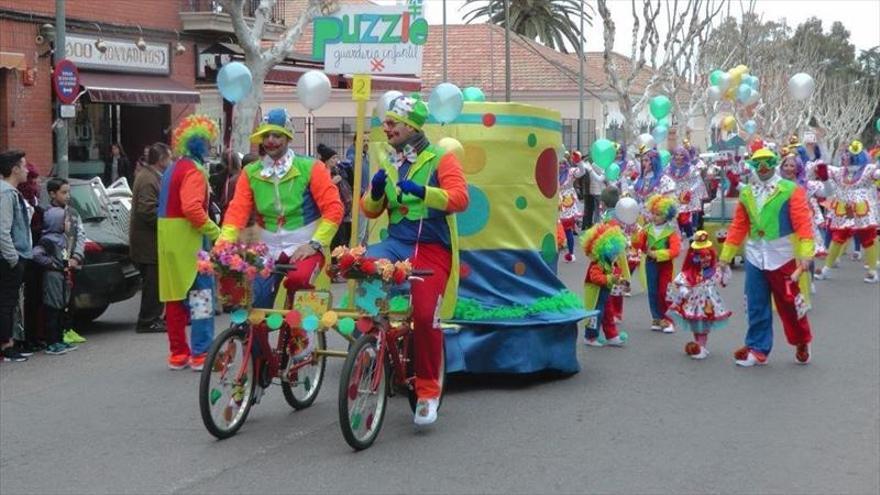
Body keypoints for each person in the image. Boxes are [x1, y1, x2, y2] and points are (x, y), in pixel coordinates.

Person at [361, 93, 469, 425]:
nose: (386, 127)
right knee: (362, 265)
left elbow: (460, 199)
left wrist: (424, 192)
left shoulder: (441, 159)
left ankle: (426, 391)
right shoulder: (388, 159)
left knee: (424, 316)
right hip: (396, 243)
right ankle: (371, 345)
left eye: (392, 123)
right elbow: (370, 209)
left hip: (431, 249)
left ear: (410, 126)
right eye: (385, 122)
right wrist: (376, 191)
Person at [220, 108, 343, 310]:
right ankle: (257, 341)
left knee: (299, 281)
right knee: (256, 301)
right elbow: (237, 212)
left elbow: (333, 209)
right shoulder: (251, 172)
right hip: (267, 249)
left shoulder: (311, 167)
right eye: (265, 135)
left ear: (288, 137)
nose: (270, 140)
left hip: (304, 246)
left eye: (276, 135)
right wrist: (223, 243)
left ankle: (296, 335)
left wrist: (315, 244)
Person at [720, 148, 814, 367]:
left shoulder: (791, 190)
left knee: (790, 303)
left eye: (767, 163)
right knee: (755, 303)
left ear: (774, 164)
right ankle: (757, 347)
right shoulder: (747, 193)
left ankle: (802, 340)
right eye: (757, 164)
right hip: (754, 255)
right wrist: (725, 257)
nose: (762, 168)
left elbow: (803, 224)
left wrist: (805, 255)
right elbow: (738, 226)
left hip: (783, 256)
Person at [158, 115, 221, 371]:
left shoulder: (172, 168)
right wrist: (216, 231)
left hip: (168, 241)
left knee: (174, 299)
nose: (211, 147)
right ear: (201, 144)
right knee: (201, 297)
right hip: (190, 242)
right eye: (209, 143)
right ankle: (201, 354)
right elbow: (193, 209)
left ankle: (178, 354)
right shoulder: (194, 171)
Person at [814, 140, 880, 283]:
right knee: (837, 237)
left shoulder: (868, 169)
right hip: (843, 207)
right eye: (844, 154)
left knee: (868, 238)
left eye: (847, 154)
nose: (844, 157)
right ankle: (827, 269)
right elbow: (823, 167)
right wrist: (821, 169)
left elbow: (877, 174)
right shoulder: (839, 172)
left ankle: (873, 271)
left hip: (863, 208)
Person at [667, 230, 732, 360]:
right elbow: (681, 283)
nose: (706, 259)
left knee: (702, 325)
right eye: (702, 256)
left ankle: (701, 346)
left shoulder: (714, 271)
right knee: (696, 325)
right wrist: (685, 292)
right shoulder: (689, 273)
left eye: (708, 256)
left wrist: (725, 269)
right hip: (693, 302)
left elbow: (724, 281)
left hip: (708, 302)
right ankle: (699, 344)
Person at [130, 142, 172, 333]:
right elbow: (147, 210)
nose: (170, 161)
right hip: (148, 243)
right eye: (169, 158)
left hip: (151, 242)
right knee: (152, 284)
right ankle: (147, 320)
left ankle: (153, 317)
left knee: (155, 283)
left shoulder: (153, 176)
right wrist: (168, 222)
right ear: (162, 160)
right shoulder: (148, 179)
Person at [45, 178, 87, 346]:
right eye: (63, 192)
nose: (67, 196)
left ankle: (68, 328)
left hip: (71, 262)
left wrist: (76, 256)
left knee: (70, 299)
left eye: (68, 192)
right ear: (52, 194)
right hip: (57, 265)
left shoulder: (73, 213)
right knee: (57, 301)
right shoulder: (49, 214)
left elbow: (81, 235)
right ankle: (58, 334)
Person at [0, 150, 33, 362]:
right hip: (8, 258)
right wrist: (13, 258)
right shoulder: (6, 194)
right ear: (14, 169)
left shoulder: (10, 192)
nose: (27, 169)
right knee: (7, 302)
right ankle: (7, 345)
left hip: (13, 255)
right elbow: (3, 229)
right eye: (24, 165)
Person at [632, 194, 681, 333]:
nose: (654, 216)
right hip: (650, 264)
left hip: (665, 265)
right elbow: (638, 245)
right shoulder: (647, 229)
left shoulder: (671, 231)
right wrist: (635, 234)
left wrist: (658, 254)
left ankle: (668, 320)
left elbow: (675, 251)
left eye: (658, 214)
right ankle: (656, 318)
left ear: (666, 215)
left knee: (664, 292)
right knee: (652, 291)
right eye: (653, 213)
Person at [31, 206, 76, 355]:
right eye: (66, 221)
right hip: (52, 277)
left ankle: (59, 339)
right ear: (56, 222)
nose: (68, 223)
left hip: (61, 277)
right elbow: (36, 254)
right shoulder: (47, 240)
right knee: (52, 310)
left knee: (60, 309)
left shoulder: (61, 238)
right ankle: (52, 342)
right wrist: (50, 263)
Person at [581, 223, 630, 347]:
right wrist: (610, 278)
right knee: (595, 314)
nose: (615, 256)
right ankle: (590, 337)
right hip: (595, 294)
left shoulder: (608, 261)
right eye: (613, 253)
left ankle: (612, 336)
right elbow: (595, 278)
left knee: (608, 313)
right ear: (603, 249)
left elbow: (612, 276)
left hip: (605, 292)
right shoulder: (597, 263)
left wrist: (619, 280)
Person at [666, 146, 708, 240]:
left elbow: (698, 181)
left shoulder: (691, 168)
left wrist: (690, 190)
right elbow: (664, 180)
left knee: (684, 218)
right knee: (674, 219)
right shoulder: (668, 167)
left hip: (685, 197)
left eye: (681, 155)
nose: (678, 157)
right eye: (676, 155)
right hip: (673, 196)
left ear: (685, 156)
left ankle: (690, 240)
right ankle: (677, 241)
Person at [319, 143, 354, 251]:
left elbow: (350, 183)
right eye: (333, 158)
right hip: (334, 212)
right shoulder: (322, 173)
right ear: (327, 160)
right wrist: (331, 182)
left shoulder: (339, 170)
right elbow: (319, 190)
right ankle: (335, 264)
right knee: (336, 241)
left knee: (345, 239)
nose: (336, 160)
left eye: (336, 157)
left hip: (346, 212)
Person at [558, 153, 586, 262]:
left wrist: (579, 161)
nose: (561, 166)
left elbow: (582, 171)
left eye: (563, 164)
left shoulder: (570, 172)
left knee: (567, 228)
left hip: (567, 202)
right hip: (556, 201)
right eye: (559, 164)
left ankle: (571, 253)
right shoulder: (553, 173)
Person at [583, 151, 606, 229]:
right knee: (600, 209)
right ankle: (599, 225)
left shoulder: (592, 164)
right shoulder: (598, 165)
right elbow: (601, 179)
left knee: (596, 209)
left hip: (593, 190)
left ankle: (596, 225)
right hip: (598, 190)